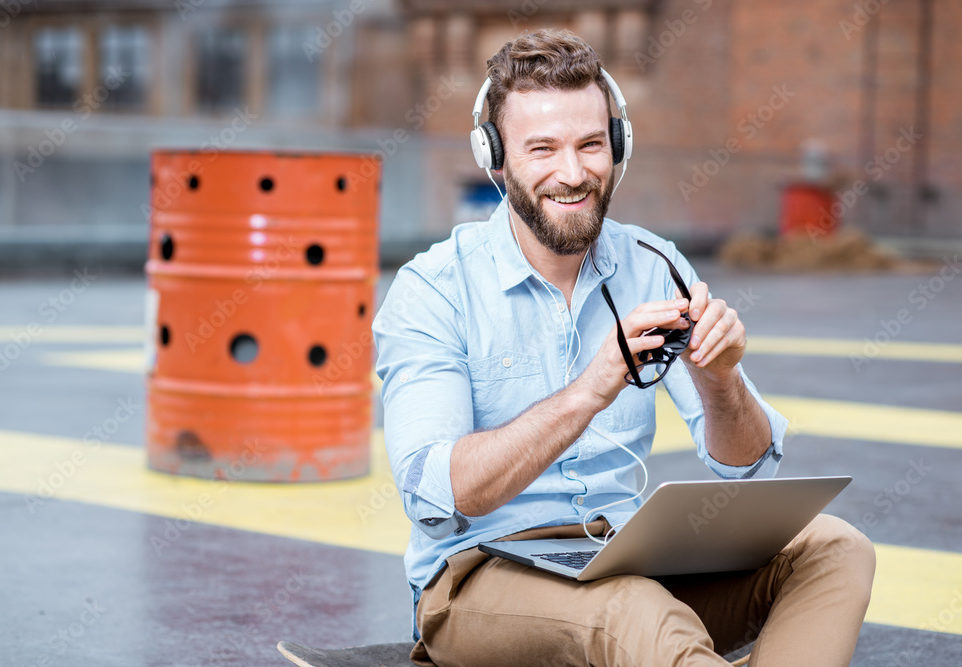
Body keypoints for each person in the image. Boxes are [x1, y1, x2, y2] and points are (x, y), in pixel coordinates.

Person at [372, 28, 875, 667]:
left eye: (590, 144)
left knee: (835, 546)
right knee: (634, 611)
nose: (574, 173)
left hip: (626, 559)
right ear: (495, 158)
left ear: (619, 145)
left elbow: (747, 467)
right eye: (542, 149)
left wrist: (722, 382)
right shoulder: (434, 289)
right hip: (477, 581)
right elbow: (435, 497)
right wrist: (590, 387)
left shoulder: (654, 264)